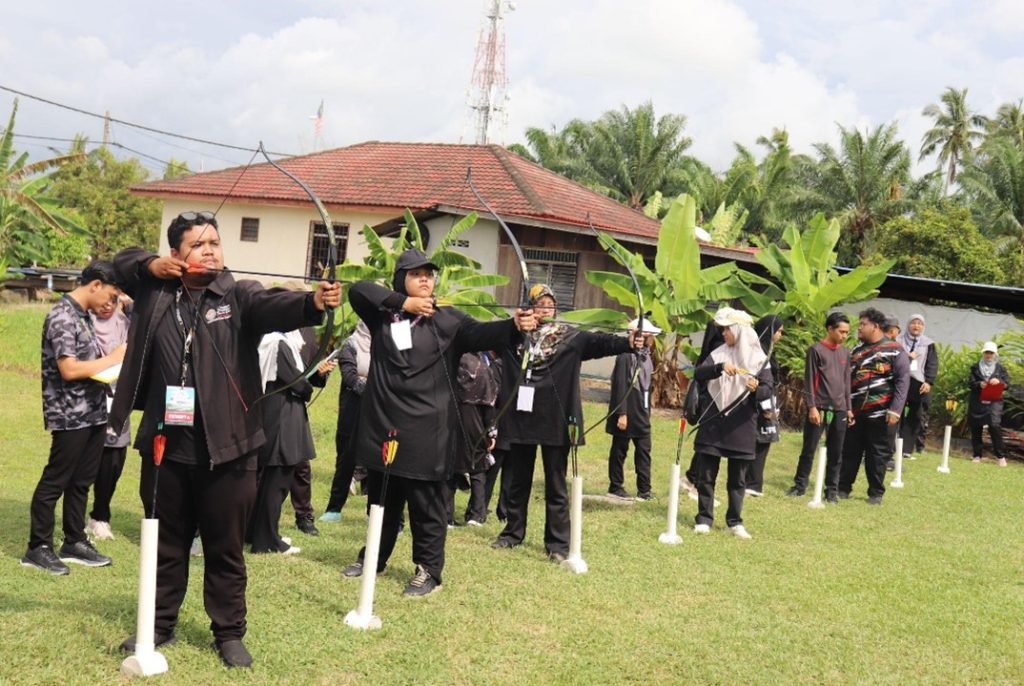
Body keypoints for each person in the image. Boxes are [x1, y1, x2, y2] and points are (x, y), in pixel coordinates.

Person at [109, 210, 341, 668]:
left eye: (215, 241)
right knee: (166, 544)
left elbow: (277, 305)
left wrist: (313, 303)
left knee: (225, 548)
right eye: (198, 244)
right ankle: (156, 625)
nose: (210, 249)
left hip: (229, 448)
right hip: (165, 446)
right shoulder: (156, 290)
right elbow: (117, 264)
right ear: (175, 254)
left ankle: (229, 633)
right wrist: (150, 266)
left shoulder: (237, 293)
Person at [340, 249, 535, 596]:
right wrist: (403, 303)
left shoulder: (449, 321)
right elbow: (358, 289)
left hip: (427, 430)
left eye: (429, 274)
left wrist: (515, 325)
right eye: (416, 274)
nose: (426, 279)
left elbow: (486, 334)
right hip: (385, 424)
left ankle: (428, 570)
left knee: (426, 504)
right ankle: (373, 558)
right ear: (402, 280)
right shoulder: (383, 316)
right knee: (381, 500)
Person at [492, 284, 643, 561]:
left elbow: (602, 343)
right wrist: (516, 325)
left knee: (556, 484)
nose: (545, 309)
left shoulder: (570, 336)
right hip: (522, 419)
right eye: (539, 305)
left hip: (556, 421)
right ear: (530, 309)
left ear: (556, 309)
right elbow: (488, 337)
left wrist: (630, 342)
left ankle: (558, 545)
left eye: (549, 305)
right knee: (517, 482)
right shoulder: (514, 336)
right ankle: (513, 533)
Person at [21, 261, 125, 575]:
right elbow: (69, 369)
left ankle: (74, 541)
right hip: (69, 414)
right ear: (94, 284)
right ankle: (37, 547)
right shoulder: (62, 316)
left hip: (92, 411)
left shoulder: (83, 316)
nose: (110, 302)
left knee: (82, 481)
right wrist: (114, 358)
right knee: (56, 480)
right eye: (109, 294)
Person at [689, 307, 772, 539]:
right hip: (714, 421)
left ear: (739, 330)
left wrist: (757, 388)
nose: (723, 333)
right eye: (722, 329)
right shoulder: (718, 353)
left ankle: (735, 521)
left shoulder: (759, 360)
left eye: (727, 329)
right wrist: (719, 368)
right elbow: (698, 373)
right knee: (706, 475)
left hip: (742, 425)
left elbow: (768, 390)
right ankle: (704, 518)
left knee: (738, 479)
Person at [248, 327, 333, 554]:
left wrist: (316, 375)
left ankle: (258, 533)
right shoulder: (279, 343)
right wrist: (307, 386)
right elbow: (296, 382)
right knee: (277, 482)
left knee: (271, 480)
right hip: (282, 416)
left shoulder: (278, 341)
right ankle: (267, 541)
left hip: (279, 412)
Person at [837, 308, 910, 505]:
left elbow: (903, 383)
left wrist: (895, 409)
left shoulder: (895, 350)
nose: (858, 328)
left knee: (877, 454)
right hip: (856, 413)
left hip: (883, 414)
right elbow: (847, 380)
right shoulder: (856, 351)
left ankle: (875, 493)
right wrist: (847, 407)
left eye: (863, 324)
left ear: (875, 326)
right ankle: (843, 488)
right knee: (850, 451)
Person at [786, 312, 852, 502]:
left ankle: (831, 490)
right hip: (819, 408)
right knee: (809, 449)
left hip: (840, 409)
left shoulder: (845, 353)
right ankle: (800, 485)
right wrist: (812, 407)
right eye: (841, 331)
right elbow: (810, 381)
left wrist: (848, 408)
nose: (844, 336)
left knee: (836, 452)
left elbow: (847, 382)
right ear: (830, 329)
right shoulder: (815, 350)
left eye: (847, 332)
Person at [86, 293, 132, 541]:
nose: (107, 306)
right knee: (84, 461)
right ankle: (73, 521)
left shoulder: (125, 323)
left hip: (117, 401)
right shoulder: (83, 322)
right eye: (103, 301)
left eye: (112, 301)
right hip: (87, 399)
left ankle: (100, 516)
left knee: (113, 463)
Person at [320, 321, 371, 522]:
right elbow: (350, 377)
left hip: (377, 412)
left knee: (377, 461)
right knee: (345, 460)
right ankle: (334, 509)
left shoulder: (386, 344)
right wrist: (378, 387)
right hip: (352, 409)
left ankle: (372, 512)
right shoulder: (351, 345)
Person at [606, 317, 661, 500]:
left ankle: (644, 490)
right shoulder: (625, 356)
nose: (652, 338)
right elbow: (620, 384)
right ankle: (615, 486)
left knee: (644, 450)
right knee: (620, 450)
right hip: (628, 409)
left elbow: (646, 386)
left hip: (641, 410)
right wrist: (622, 413)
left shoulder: (646, 355)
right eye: (649, 334)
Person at [446, 350, 502, 525]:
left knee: (451, 470)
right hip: (475, 425)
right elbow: (489, 405)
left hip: (451, 423)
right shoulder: (483, 369)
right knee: (478, 468)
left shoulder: (451, 365)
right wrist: (491, 431)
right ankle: (477, 515)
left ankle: (447, 516)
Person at [680, 321, 725, 500]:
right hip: (711, 401)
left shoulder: (713, 347)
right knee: (708, 446)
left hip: (709, 401)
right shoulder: (720, 349)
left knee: (705, 444)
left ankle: (692, 477)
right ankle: (696, 484)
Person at [746, 315, 784, 497]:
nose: (780, 336)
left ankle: (754, 483)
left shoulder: (769, 350)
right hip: (757, 401)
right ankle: (750, 483)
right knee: (756, 440)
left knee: (764, 439)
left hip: (769, 401)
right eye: (778, 332)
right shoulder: (757, 351)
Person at [898, 314, 938, 460]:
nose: (916, 326)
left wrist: (928, 382)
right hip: (900, 381)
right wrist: (907, 356)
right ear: (908, 325)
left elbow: (932, 364)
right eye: (913, 323)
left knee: (916, 415)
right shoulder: (898, 340)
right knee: (897, 412)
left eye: (920, 324)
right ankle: (893, 445)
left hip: (918, 382)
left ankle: (907, 449)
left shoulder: (928, 344)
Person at [968, 341, 1010, 466]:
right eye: (987, 352)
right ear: (983, 353)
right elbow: (970, 383)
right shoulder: (975, 367)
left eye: (991, 353)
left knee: (994, 426)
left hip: (994, 401)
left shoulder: (1000, 368)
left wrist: (999, 381)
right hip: (977, 400)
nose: (989, 355)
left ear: (995, 354)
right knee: (976, 427)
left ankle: (1000, 456)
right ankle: (977, 455)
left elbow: (1007, 384)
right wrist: (979, 384)